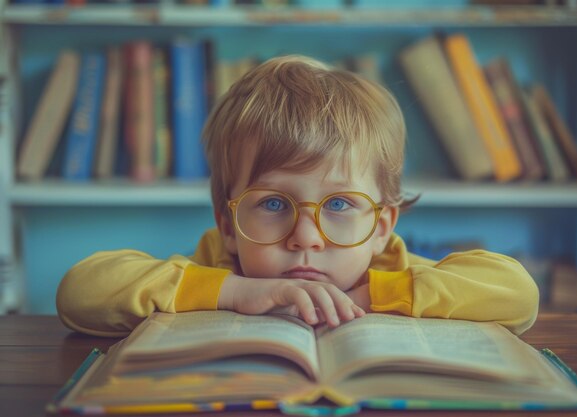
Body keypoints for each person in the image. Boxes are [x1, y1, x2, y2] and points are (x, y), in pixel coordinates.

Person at [57, 55, 539, 338]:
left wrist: (371, 297)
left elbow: (519, 294)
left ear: (381, 227)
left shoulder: (391, 270)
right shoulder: (217, 266)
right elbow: (79, 292)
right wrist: (240, 293)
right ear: (228, 225)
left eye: (339, 204)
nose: (305, 238)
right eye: (271, 203)